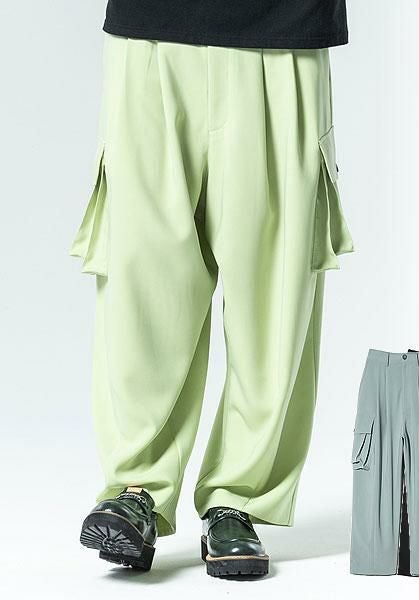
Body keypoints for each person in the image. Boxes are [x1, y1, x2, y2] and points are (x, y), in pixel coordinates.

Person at [71, 0, 353, 579]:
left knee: (272, 290)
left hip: (283, 33)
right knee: (143, 279)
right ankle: (136, 488)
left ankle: (237, 499)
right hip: (151, 31)